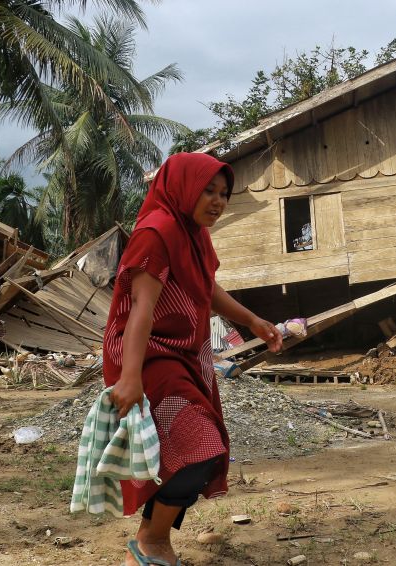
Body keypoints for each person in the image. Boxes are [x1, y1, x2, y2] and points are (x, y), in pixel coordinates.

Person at [105, 152, 283, 566]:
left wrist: (252, 320)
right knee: (200, 446)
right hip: (149, 355)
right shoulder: (157, 232)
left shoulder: (193, 233)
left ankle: (151, 541)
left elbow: (206, 288)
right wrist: (130, 376)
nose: (218, 201)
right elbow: (140, 310)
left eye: (224, 193)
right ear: (184, 187)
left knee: (197, 448)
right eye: (208, 190)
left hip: (184, 352)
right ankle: (151, 540)